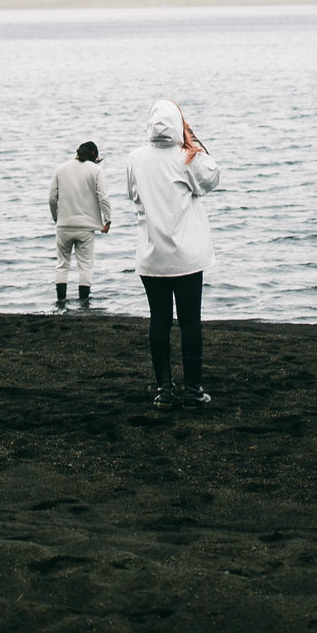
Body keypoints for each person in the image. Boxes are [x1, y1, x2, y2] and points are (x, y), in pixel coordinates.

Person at [124, 99, 221, 408]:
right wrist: (193, 140)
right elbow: (213, 176)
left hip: (152, 255)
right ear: (180, 125)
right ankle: (193, 390)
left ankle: (165, 390)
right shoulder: (188, 158)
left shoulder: (136, 158)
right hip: (187, 256)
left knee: (159, 321)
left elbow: (133, 195)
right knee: (191, 322)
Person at [48, 140, 110, 306]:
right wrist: (107, 219)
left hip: (64, 225)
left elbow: (52, 198)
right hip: (86, 228)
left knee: (62, 265)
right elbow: (103, 197)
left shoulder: (60, 169)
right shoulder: (96, 171)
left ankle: (61, 301)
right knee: (85, 266)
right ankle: (84, 302)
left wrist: (56, 218)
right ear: (94, 156)